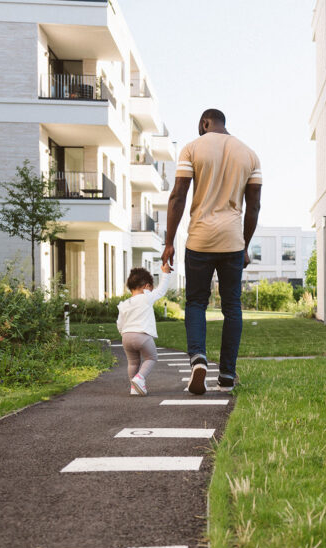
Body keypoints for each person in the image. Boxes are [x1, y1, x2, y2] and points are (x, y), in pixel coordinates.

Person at [162, 108, 262, 395]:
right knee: (232, 306)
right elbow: (253, 206)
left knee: (196, 302)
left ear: (205, 123)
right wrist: (244, 243)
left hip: (200, 240)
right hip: (232, 241)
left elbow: (178, 195)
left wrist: (169, 242)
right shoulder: (250, 154)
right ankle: (228, 374)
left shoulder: (193, 148)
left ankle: (198, 359)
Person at [116, 263, 174, 396]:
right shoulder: (147, 297)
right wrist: (165, 273)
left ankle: (133, 387)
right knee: (151, 358)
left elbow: (119, 323)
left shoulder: (124, 304)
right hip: (142, 335)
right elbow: (161, 290)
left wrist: (123, 333)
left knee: (132, 362)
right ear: (147, 286)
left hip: (126, 336)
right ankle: (140, 378)